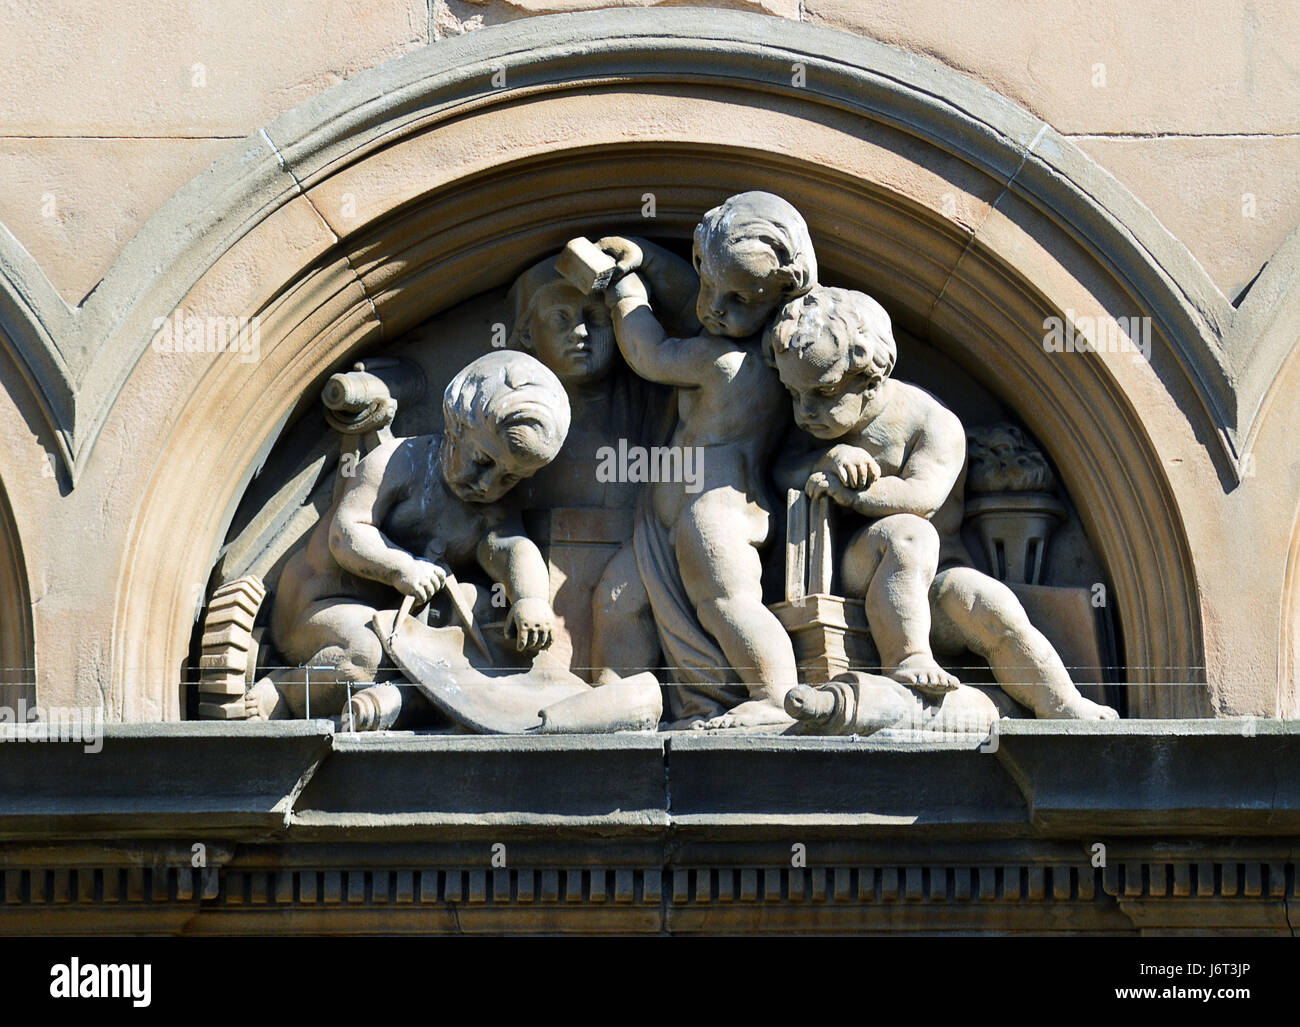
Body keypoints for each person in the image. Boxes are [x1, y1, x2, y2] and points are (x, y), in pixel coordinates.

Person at [767, 285, 1117, 720]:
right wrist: (830, 456)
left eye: (822, 393)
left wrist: (854, 493)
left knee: (989, 602)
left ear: (870, 375)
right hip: (852, 572)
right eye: (794, 395)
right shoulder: (815, 426)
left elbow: (923, 498)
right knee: (907, 536)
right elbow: (779, 471)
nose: (804, 412)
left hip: (938, 580)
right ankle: (906, 657)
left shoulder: (932, 422)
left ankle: (1062, 702)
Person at [252, 351, 570, 720]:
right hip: (320, 606)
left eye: (510, 477)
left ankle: (418, 702)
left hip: (399, 616)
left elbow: (512, 548)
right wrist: (400, 567)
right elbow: (346, 533)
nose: (488, 484)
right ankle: (287, 688)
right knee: (368, 655)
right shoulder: (398, 462)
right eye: (483, 460)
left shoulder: (494, 507)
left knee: (482, 609)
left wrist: (529, 599)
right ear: (458, 425)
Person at [599, 192, 816, 729]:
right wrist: (646, 257)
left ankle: (774, 695)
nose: (717, 307)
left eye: (741, 299)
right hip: (670, 511)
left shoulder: (726, 361)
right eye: (710, 284)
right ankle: (610, 697)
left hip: (713, 510)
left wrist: (624, 291)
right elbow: (694, 295)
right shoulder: (729, 331)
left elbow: (649, 354)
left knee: (729, 603)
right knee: (618, 597)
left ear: (783, 296)